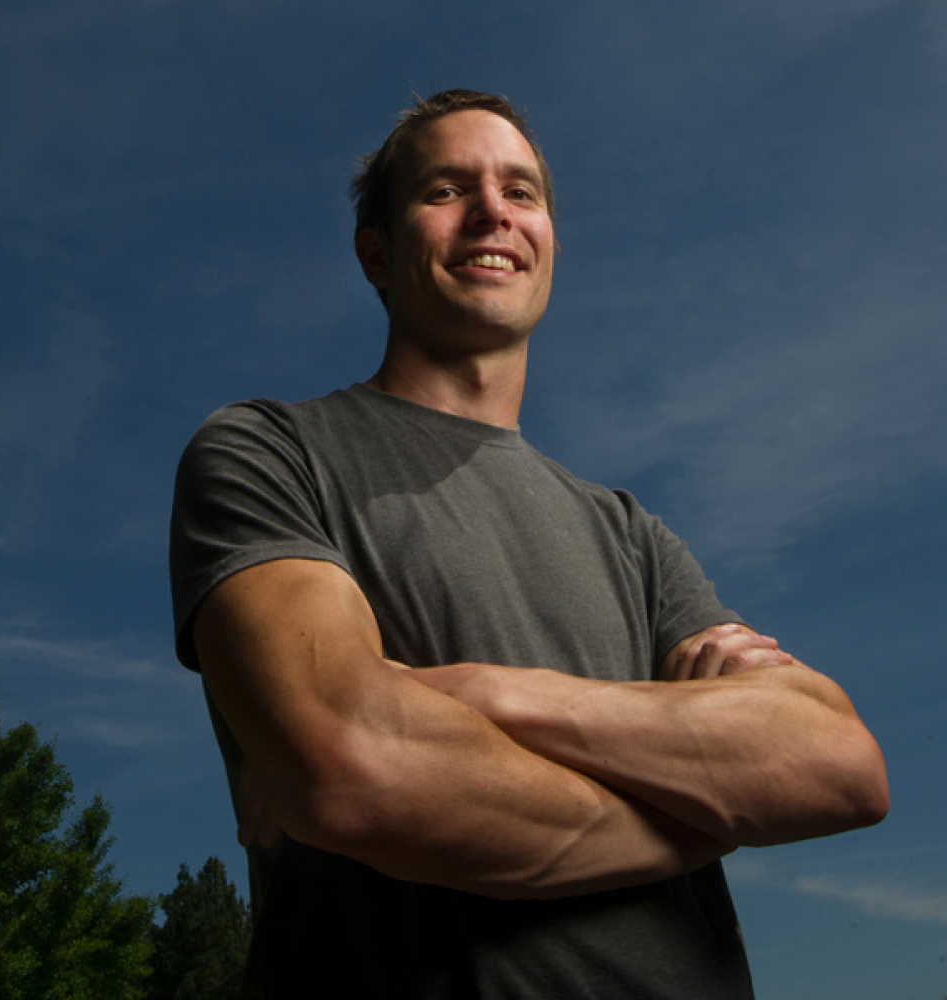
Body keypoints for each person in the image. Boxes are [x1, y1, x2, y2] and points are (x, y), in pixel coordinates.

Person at [170, 89, 889, 999]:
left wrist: (471, 691)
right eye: (446, 188)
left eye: (522, 190)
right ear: (376, 252)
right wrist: (703, 819)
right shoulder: (268, 452)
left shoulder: (630, 534)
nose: (493, 212)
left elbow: (838, 764)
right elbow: (348, 769)